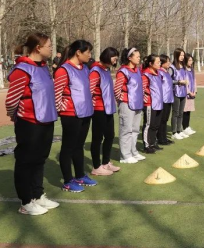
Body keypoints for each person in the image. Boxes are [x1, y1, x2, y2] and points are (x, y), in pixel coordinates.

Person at [6, 33, 59, 215]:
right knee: (26, 161)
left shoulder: (44, 67)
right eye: (49, 46)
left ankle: (37, 195)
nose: (52, 49)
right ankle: (26, 201)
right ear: (38, 47)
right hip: (29, 123)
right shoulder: (22, 69)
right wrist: (16, 117)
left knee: (39, 160)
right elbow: (12, 100)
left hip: (46, 120)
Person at [55, 40, 96, 192]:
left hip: (85, 112)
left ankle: (80, 175)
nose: (90, 56)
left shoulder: (85, 68)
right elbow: (56, 93)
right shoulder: (63, 70)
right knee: (68, 147)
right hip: (71, 114)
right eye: (88, 52)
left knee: (79, 146)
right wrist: (61, 108)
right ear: (78, 52)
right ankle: (67, 180)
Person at [89, 47, 120, 176]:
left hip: (109, 108)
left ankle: (106, 162)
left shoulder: (106, 70)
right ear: (107, 56)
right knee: (97, 138)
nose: (116, 60)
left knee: (110, 135)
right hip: (98, 109)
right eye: (114, 57)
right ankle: (96, 166)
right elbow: (89, 90)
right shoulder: (95, 71)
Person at [115, 47, 145, 164]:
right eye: (137, 56)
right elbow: (117, 89)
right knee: (126, 130)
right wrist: (122, 100)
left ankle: (133, 151)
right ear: (129, 58)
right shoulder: (123, 71)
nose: (139, 58)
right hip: (127, 104)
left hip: (137, 104)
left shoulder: (137, 70)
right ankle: (125, 156)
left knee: (135, 129)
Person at [142, 54, 163, 154]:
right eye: (158, 62)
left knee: (156, 124)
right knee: (148, 124)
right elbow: (142, 89)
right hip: (150, 103)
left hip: (159, 103)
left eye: (160, 62)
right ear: (150, 63)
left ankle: (153, 142)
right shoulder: (146, 74)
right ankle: (147, 145)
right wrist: (145, 97)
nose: (160, 64)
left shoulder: (158, 73)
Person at [170, 48, 189, 140]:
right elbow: (168, 80)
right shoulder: (172, 67)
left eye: (183, 55)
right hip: (175, 92)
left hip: (183, 92)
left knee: (181, 112)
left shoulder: (184, 66)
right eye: (181, 55)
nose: (182, 57)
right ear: (176, 55)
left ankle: (179, 130)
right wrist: (178, 82)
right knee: (175, 112)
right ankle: (174, 132)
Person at [157, 54, 175, 146]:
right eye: (167, 61)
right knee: (162, 120)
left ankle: (164, 137)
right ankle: (161, 138)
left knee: (165, 119)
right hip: (163, 99)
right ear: (162, 62)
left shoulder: (167, 72)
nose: (169, 63)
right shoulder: (160, 72)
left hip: (169, 99)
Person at [182, 54, 197, 135]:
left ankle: (187, 126)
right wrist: (188, 92)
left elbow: (194, 81)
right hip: (186, 94)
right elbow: (184, 83)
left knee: (189, 111)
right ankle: (184, 127)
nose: (191, 62)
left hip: (192, 94)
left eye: (192, 60)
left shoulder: (192, 70)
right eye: (189, 60)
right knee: (184, 111)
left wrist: (194, 91)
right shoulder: (183, 70)